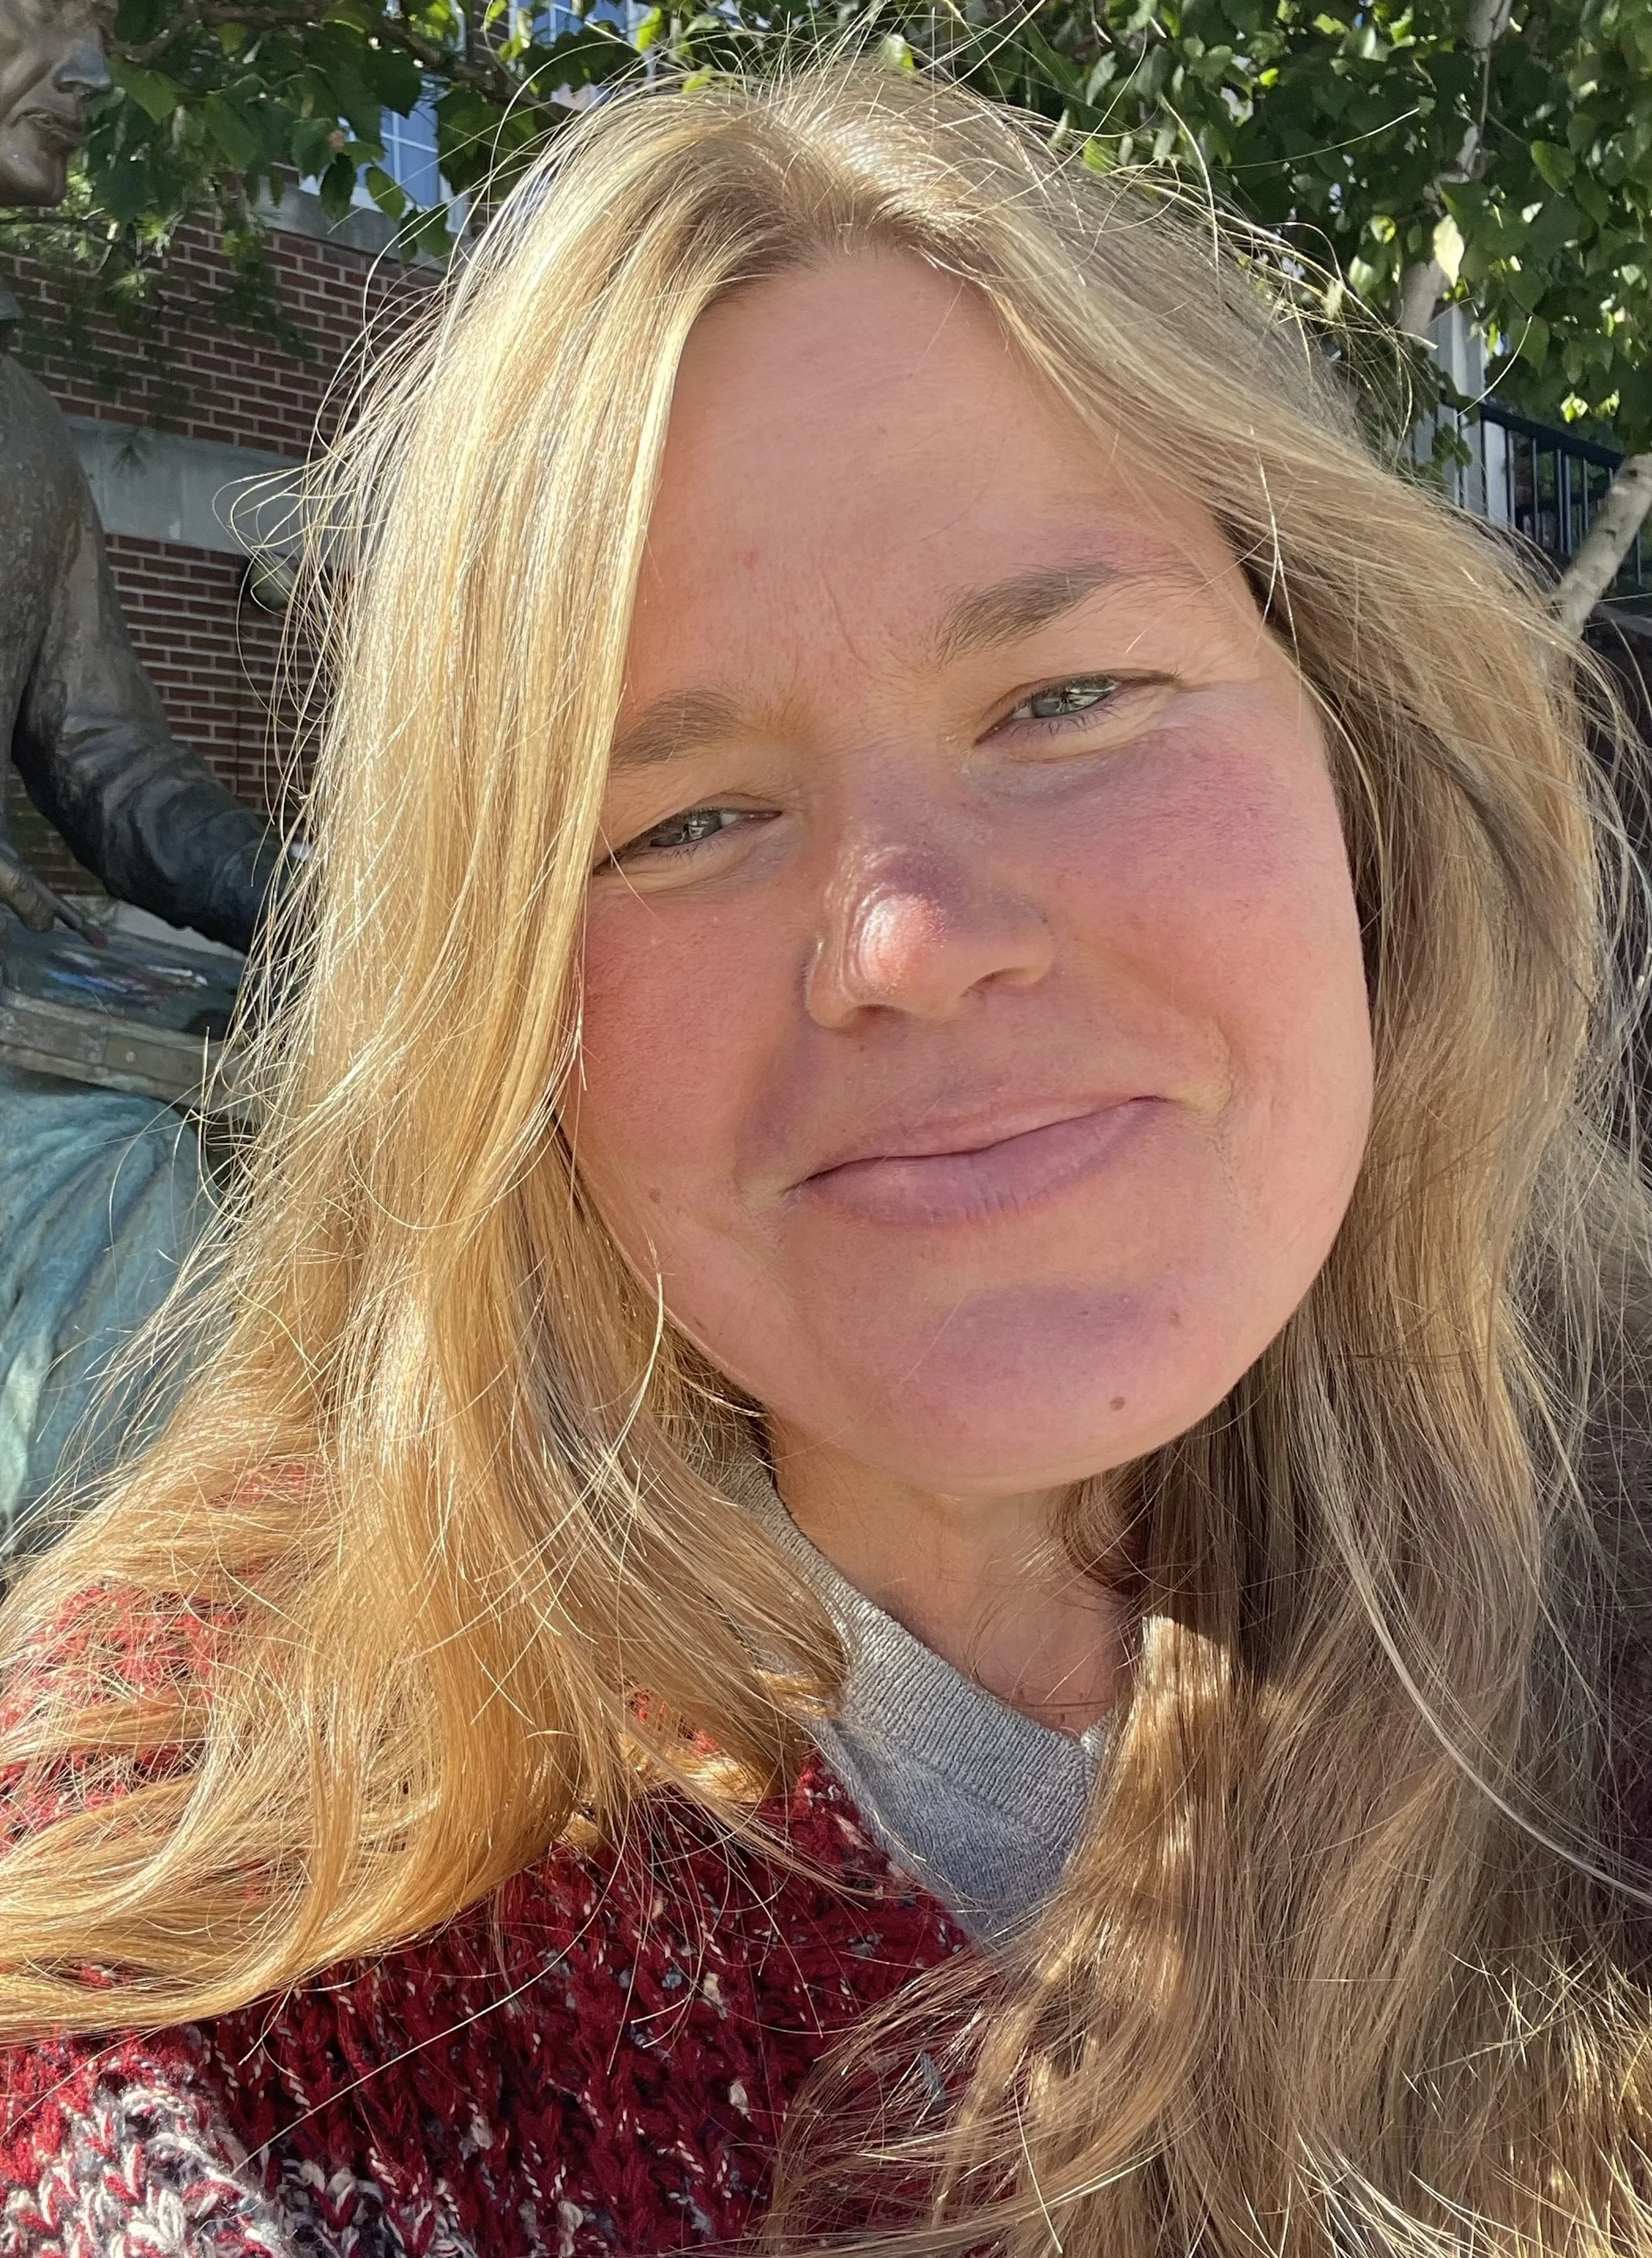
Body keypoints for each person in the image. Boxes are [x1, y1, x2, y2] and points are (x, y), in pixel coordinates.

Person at [1, 56, 1651, 2258]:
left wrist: (248, 911)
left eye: (1068, 696)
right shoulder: (202, 1968)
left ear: (1370, 766)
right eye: (673, 819)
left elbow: (106, 761)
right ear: (503, 1007)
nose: (909, 936)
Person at [0, 0, 283, 952]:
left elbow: (107, 756)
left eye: (102, 36)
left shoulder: (23, 425)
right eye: (39, 13)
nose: (90, 72)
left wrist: (327, 911)